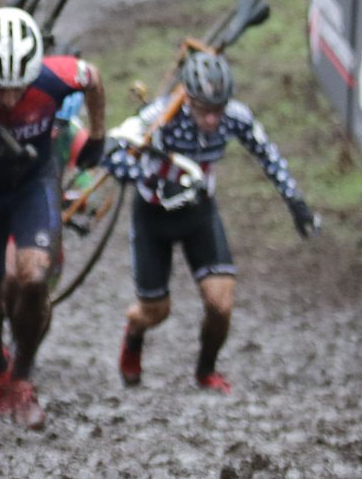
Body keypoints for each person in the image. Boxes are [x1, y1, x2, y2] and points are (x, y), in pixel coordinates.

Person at [105, 52, 318, 393]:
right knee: (156, 310)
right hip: (153, 216)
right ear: (188, 98)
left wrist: (295, 201)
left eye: (219, 109)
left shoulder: (235, 117)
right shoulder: (161, 115)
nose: (213, 119)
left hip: (199, 212)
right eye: (205, 109)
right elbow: (111, 154)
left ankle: (205, 371)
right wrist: (153, 179)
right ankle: (134, 334)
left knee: (221, 305)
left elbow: (268, 155)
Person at [0, 8, 106, 429]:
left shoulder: (55, 78)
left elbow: (93, 78)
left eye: (16, 88)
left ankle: (22, 377)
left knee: (34, 278)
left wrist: (97, 136)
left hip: (32, 186)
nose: (5, 99)